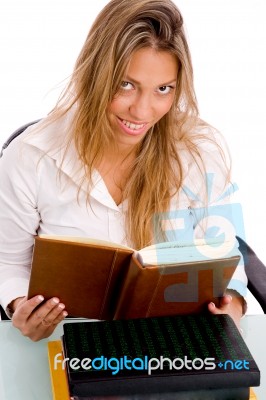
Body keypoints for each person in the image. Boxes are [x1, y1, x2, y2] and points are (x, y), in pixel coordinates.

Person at [0, 0, 247, 341]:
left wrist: (232, 301)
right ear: (95, 75)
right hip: (70, 339)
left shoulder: (199, 149)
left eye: (163, 89)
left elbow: (226, 252)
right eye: (126, 85)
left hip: (175, 340)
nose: (142, 111)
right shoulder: (31, 156)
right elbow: (8, 261)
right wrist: (18, 305)